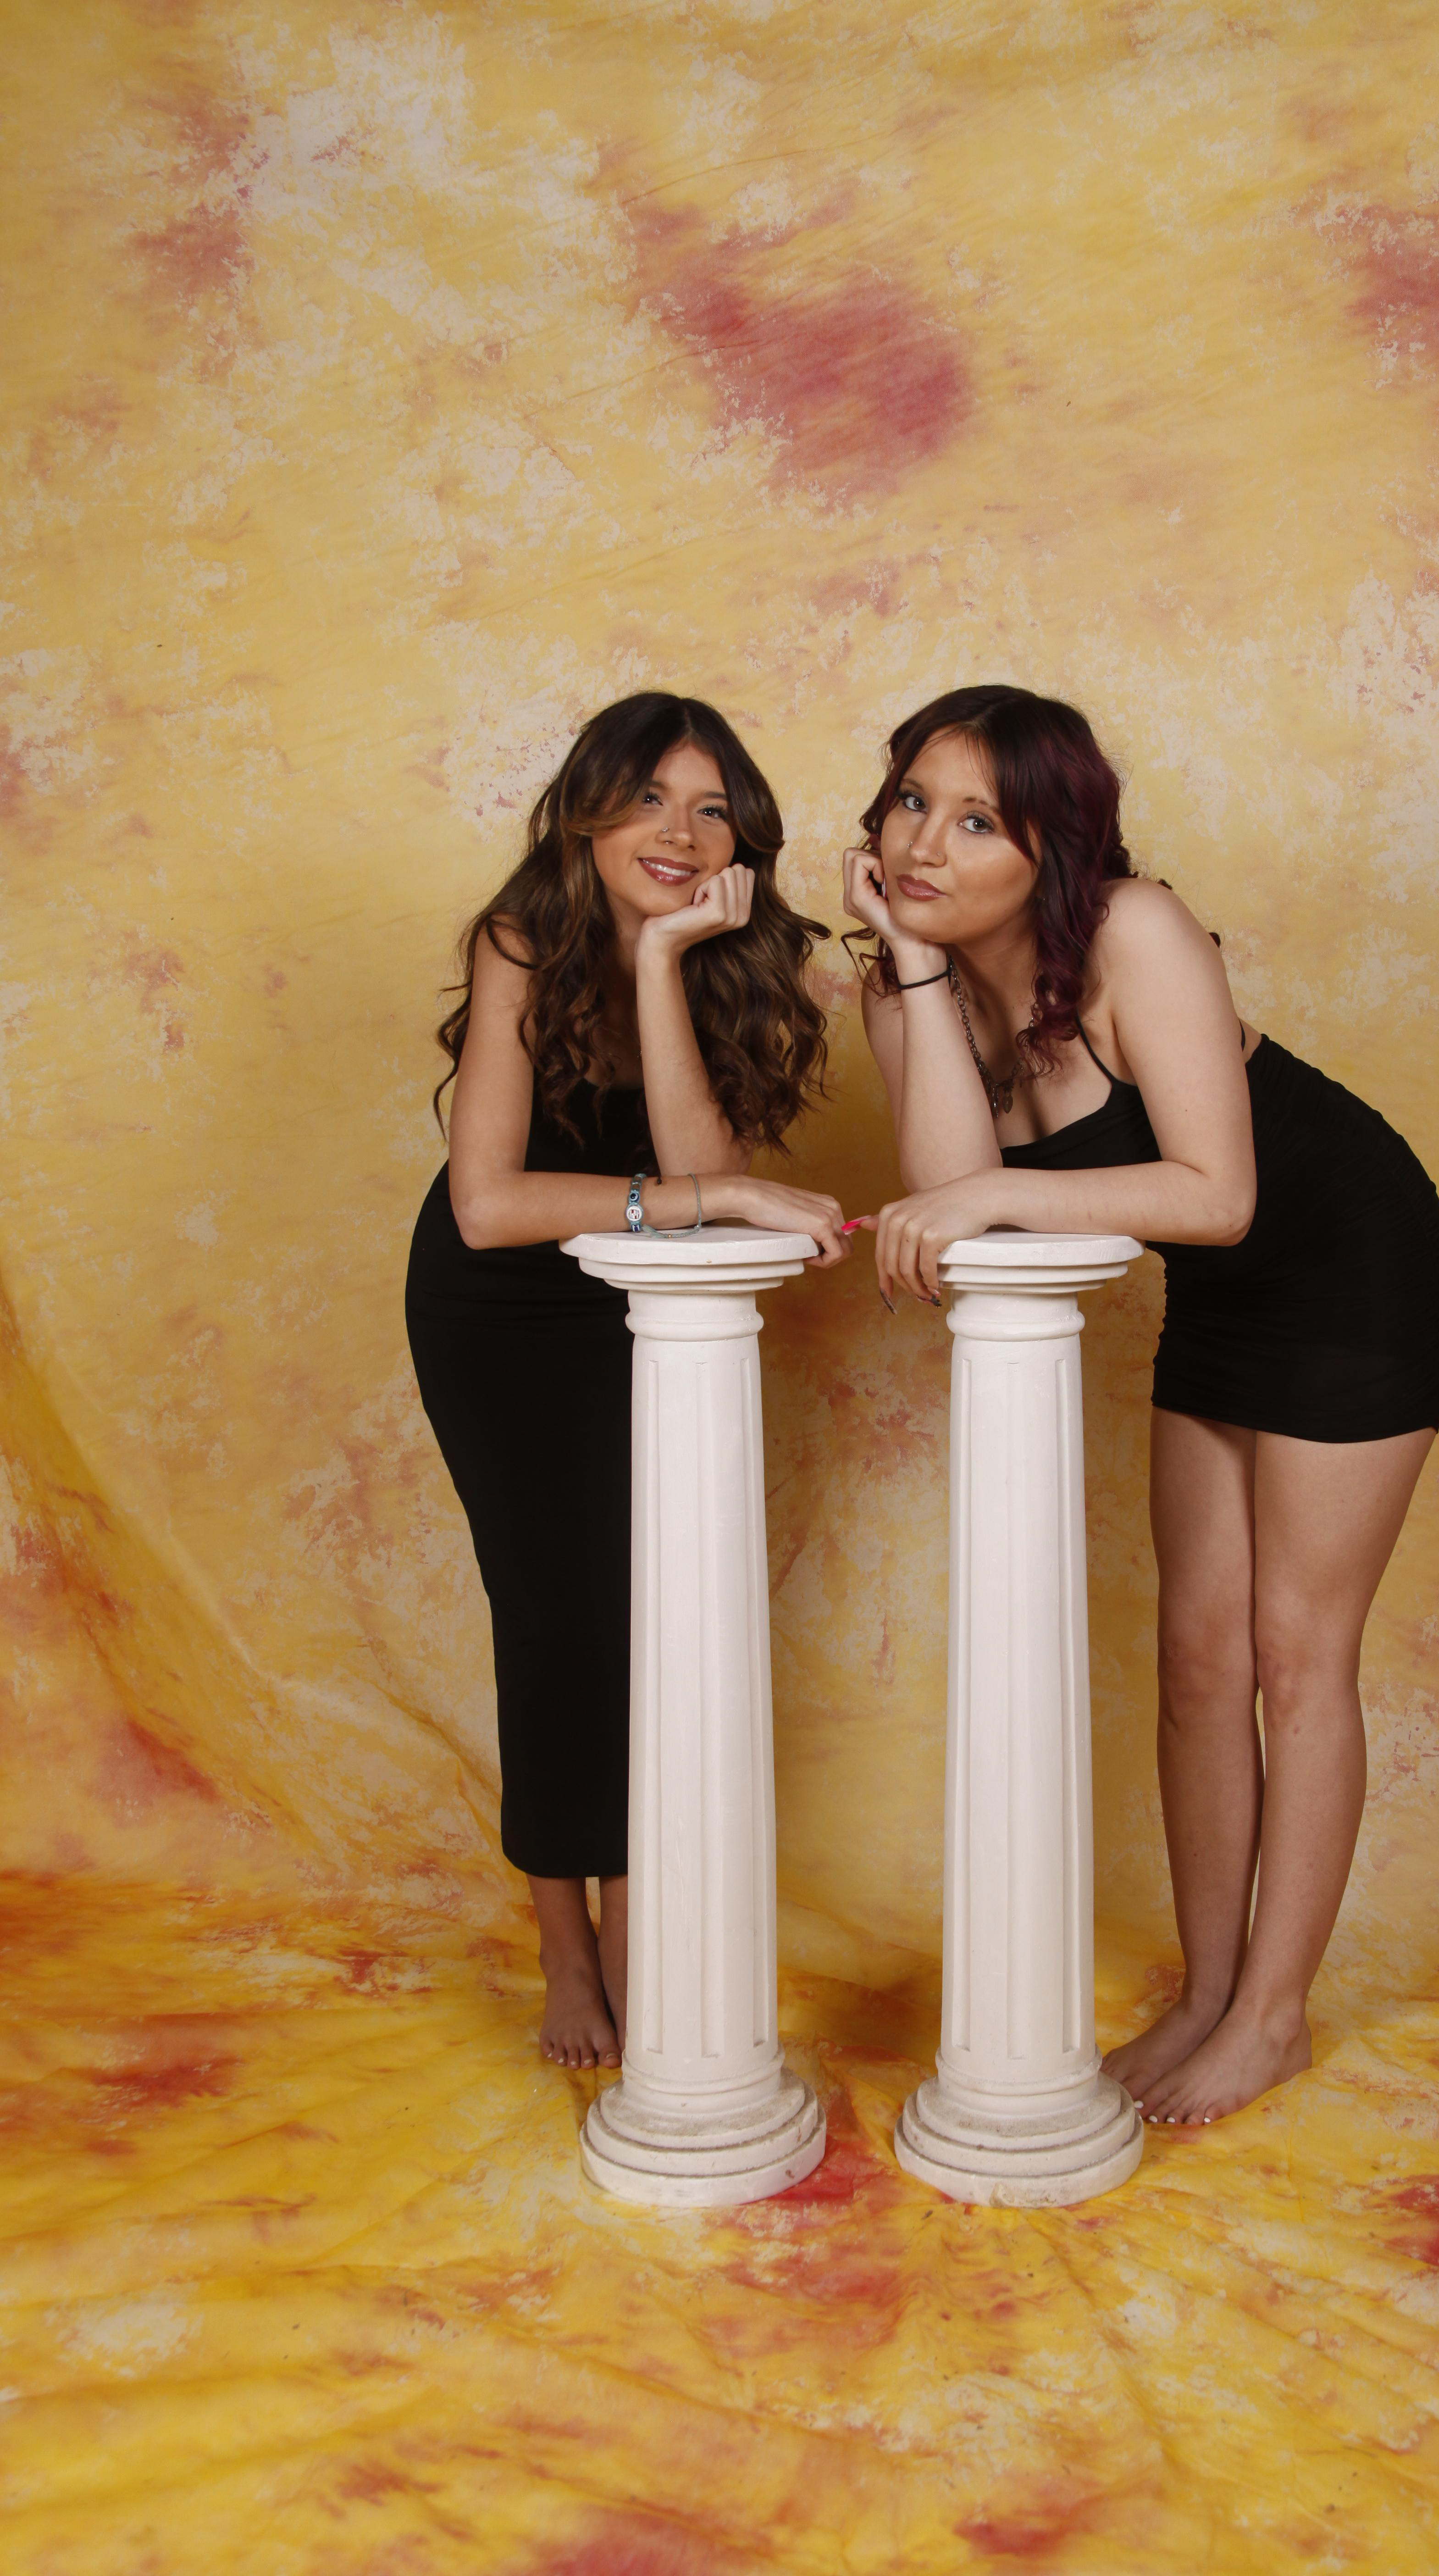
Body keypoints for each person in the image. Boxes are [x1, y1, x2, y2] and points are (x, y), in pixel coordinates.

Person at [845, 684, 1439, 2126]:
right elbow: (957, 1203)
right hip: (1226, 1304)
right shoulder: (902, 986)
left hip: (1352, 1271)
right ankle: (1206, 1994)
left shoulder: (1136, 931)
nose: (927, 844)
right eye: (913, 802)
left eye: (979, 822)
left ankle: (1273, 2019)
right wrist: (918, 970)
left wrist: (990, 1194)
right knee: (1197, 1659)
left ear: (1050, 850)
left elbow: (1219, 1193)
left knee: (1296, 1655)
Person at [407, 693, 849, 2072]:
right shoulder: (520, 941)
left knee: (653, 1617)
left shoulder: (715, 960)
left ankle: (646, 1921)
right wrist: (709, 1198)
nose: (680, 830)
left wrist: (664, 961)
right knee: (557, 1622)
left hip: (655, 1313)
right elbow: (489, 1204)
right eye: (650, 797)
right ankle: (567, 1945)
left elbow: (700, 1168)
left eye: (712, 808)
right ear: (588, 811)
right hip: (503, 1318)